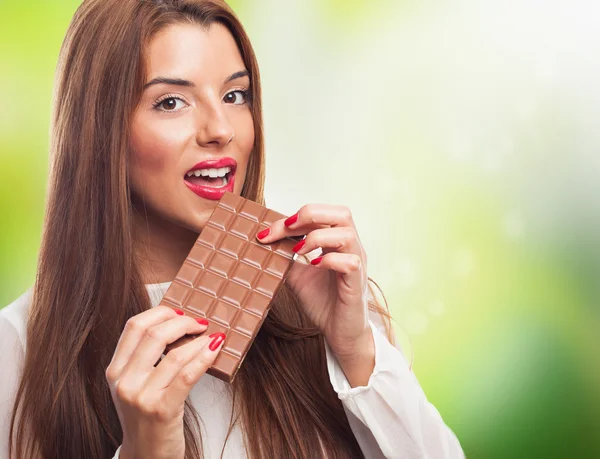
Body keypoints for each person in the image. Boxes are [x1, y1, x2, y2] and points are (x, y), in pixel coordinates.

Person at [0, 0, 465, 458]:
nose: (220, 129)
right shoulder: (17, 348)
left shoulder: (326, 305)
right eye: (171, 102)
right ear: (100, 129)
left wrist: (357, 350)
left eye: (234, 95)